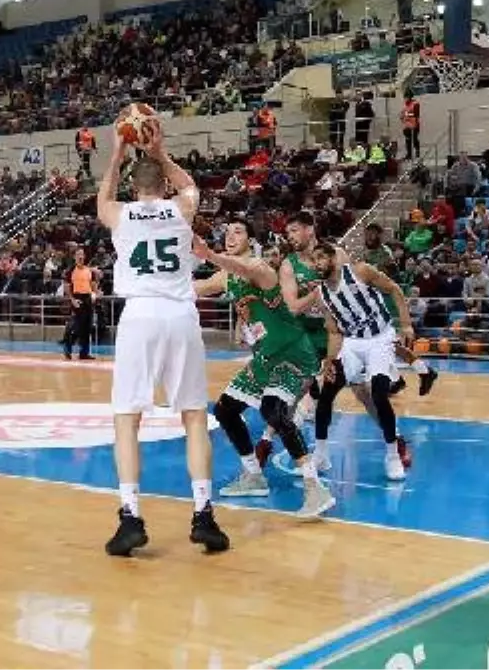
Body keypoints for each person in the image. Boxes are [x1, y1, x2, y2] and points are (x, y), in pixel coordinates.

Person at [99, 127, 229, 557]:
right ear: (164, 184)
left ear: (134, 186)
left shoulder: (118, 213)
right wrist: (161, 151)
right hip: (180, 313)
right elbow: (191, 185)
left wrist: (117, 155)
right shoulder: (181, 208)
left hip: (140, 315)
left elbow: (103, 197)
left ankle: (131, 517)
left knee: (126, 419)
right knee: (194, 416)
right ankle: (204, 514)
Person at [193, 219, 335, 520]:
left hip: (291, 352)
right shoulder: (225, 275)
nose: (231, 236)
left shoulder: (260, 267)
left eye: (238, 231)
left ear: (251, 240)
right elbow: (197, 287)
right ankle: (253, 475)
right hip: (264, 356)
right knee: (225, 411)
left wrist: (209, 255)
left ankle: (314, 487)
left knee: (273, 410)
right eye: (227, 231)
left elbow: (245, 270)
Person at [310, 241, 416, 481]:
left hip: (380, 338)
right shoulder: (321, 293)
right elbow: (334, 331)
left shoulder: (360, 271)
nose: (316, 263)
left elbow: (395, 289)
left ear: (333, 259)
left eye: (320, 258)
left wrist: (406, 323)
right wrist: (329, 361)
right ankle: (321, 454)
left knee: (379, 394)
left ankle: (392, 455)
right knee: (326, 393)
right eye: (313, 260)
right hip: (352, 343)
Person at [63, 248, 96, 360]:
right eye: (78, 255)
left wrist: (94, 294)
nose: (80, 257)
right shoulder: (70, 270)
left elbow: (93, 284)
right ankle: (68, 347)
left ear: (85, 256)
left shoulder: (89, 270)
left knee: (87, 327)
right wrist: (72, 299)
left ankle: (84, 353)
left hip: (88, 299)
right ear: (75, 257)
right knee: (76, 326)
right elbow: (66, 287)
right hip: (77, 298)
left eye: (82, 254)